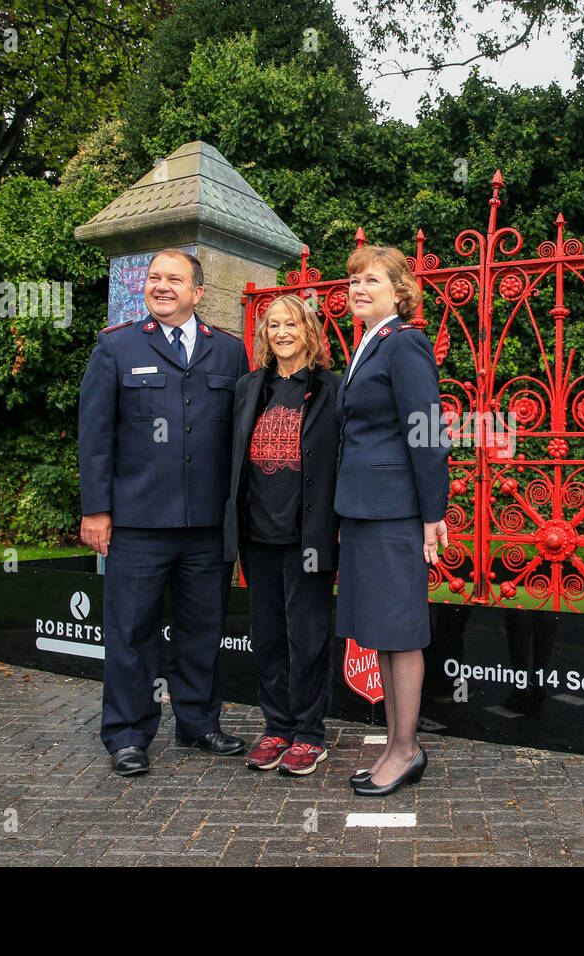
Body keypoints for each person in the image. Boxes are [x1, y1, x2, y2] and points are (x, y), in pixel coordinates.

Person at [78, 249, 248, 776]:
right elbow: (95, 437)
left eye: (174, 279)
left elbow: (237, 442)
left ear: (199, 292)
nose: (162, 286)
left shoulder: (231, 353)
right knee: (131, 633)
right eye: (154, 278)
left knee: (202, 630)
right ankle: (128, 735)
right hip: (138, 523)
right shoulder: (116, 346)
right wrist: (96, 510)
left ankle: (199, 723)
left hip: (206, 527)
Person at [335, 245, 450, 796]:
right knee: (381, 630)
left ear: (399, 292)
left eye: (371, 280)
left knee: (401, 633)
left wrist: (433, 515)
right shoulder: (368, 344)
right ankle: (394, 743)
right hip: (363, 511)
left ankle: (406, 751)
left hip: (395, 512)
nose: (358, 287)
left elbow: (426, 431)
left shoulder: (404, 343)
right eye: (353, 280)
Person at [223, 295, 340, 775]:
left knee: (307, 636)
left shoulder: (331, 388)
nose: (282, 331)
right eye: (273, 324)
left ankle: (309, 734)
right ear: (264, 334)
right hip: (257, 534)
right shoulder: (251, 386)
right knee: (267, 635)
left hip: (308, 536)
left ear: (308, 329)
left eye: (291, 323)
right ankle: (276, 729)